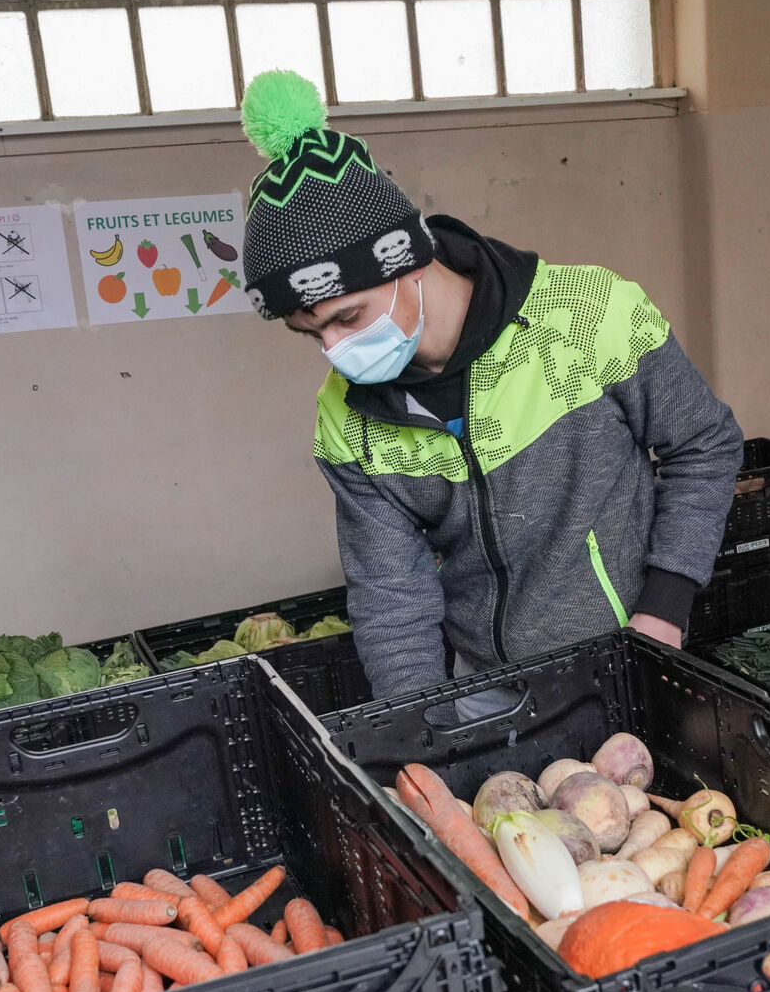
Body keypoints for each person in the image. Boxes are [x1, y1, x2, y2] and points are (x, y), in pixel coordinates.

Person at [236, 70, 742, 707]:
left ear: (408, 264)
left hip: (631, 653)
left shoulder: (587, 315)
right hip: (484, 682)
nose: (336, 351)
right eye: (311, 334)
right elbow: (392, 593)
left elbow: (705, 443)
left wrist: (665, 607)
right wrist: (417, 723)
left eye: (347, 317)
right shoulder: (345, 420)